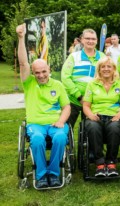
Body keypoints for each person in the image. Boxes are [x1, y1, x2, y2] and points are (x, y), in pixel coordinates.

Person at [16, 23, 71, 188]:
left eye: (44, 71)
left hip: (55, 123)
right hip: (36, 124)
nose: (41, 75)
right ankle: (41, 175)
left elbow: (66, 107)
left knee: (61, 137)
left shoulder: (58, 85)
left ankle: (54, 174)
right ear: (33, 73)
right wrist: (20, 38)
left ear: (49, 70)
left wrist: (61, 121)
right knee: (38, 140)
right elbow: (23, 63)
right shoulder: (29, 83)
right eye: (37, 72)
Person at [83, 56, 120, 177]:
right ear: (99, 69)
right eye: (103, 66)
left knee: (114, 128)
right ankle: (100, 164)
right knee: (92, 127)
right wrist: (91, 115)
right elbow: (86, 105)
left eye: (109, 66)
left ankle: (111, 162)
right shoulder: (92, 84)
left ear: (114, 69)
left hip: (114, 117)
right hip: (96, 117)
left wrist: (118, 116)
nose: (106, 69)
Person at [61, 28, 106, 128]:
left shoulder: (103, 57)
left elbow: (107, 78)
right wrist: (79, 96)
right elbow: (65, 78)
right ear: (82, 40)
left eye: (93, 39)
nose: (90, 41)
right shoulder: (74, 56)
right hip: (73, 100)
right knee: (65, 129)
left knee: (90, 132)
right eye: (87, 38)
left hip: (92, 101)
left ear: (97, 41)